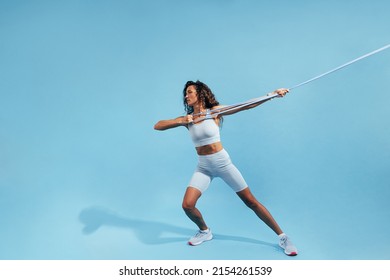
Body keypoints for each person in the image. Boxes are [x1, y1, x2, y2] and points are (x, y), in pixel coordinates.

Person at [154, 80, 298, 256]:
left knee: (250, 201)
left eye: (190, 92)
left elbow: (245, 106)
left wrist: (272, 95)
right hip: (203, 167)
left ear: (200, 94)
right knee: (187, 205)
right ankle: (205, 231)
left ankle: (283, 237)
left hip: (222, 163)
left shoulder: (214, 112)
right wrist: (182, 120)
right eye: (185, 93)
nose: (186, 95)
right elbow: (158, 125)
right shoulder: (187, 120)